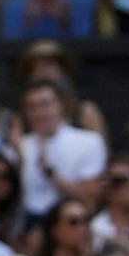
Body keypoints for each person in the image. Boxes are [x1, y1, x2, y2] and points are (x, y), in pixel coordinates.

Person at [16, 79, 107, 219]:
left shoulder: (89, 142)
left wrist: (51, 174)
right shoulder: (21, 146)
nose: (39, 112)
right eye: (31, 107)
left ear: (61, 105)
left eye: (44, 104)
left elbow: (89, 198)